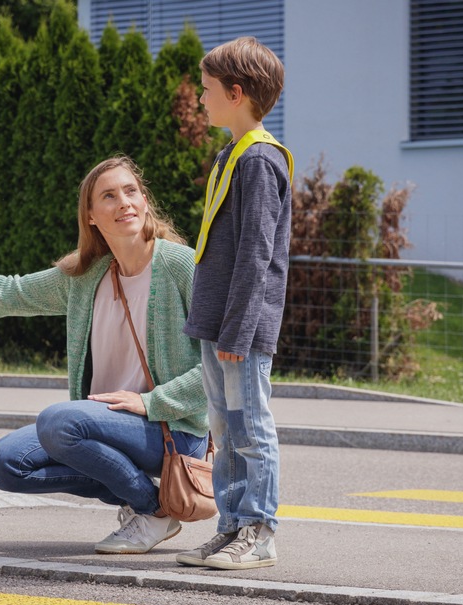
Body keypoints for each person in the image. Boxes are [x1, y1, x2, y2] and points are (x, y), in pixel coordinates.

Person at [0, 156, 208, 555]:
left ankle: (149, 512)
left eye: (131, 191)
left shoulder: (180, 266)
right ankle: (150, 504)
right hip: (102, 426)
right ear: (90, 215)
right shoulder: (86, 276)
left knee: (58, 421)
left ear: (144, 201)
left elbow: (220, 360)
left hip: (172, 431)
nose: (124, 202)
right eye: (109, 195)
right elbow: (6, 294)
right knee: (4, 462)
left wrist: (149, 401)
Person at [175, 37, 294, 570]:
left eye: (207, 90)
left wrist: (237, 332)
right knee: (222, 430)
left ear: (237, 92)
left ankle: (260, 531)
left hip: (238, 331)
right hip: (217, 325)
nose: (202, 99)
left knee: (251, 430)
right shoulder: (230, 156)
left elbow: (256, 255)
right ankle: (230, 528)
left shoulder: (260, 161)